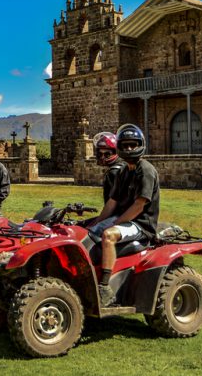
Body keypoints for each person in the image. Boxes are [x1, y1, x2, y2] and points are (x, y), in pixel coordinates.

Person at [89, 124, 160, 307]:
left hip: (141, 223)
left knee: (108, 235)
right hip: (125, 219)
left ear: (140, 145)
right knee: (87, 233)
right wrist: (95, 224)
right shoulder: (123, 171)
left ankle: (104, 287)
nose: (129, 149)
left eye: (133, 145)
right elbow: (112, 203)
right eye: (126, 145)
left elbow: (139, 206)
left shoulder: (145, 170)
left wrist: (113, 225)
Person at [93, 131, 126, 204]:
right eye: (100, 154)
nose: (102, 157)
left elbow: (112, 202)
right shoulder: (124, 165)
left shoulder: (113, 172)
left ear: (116, 152)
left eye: (107, 154)